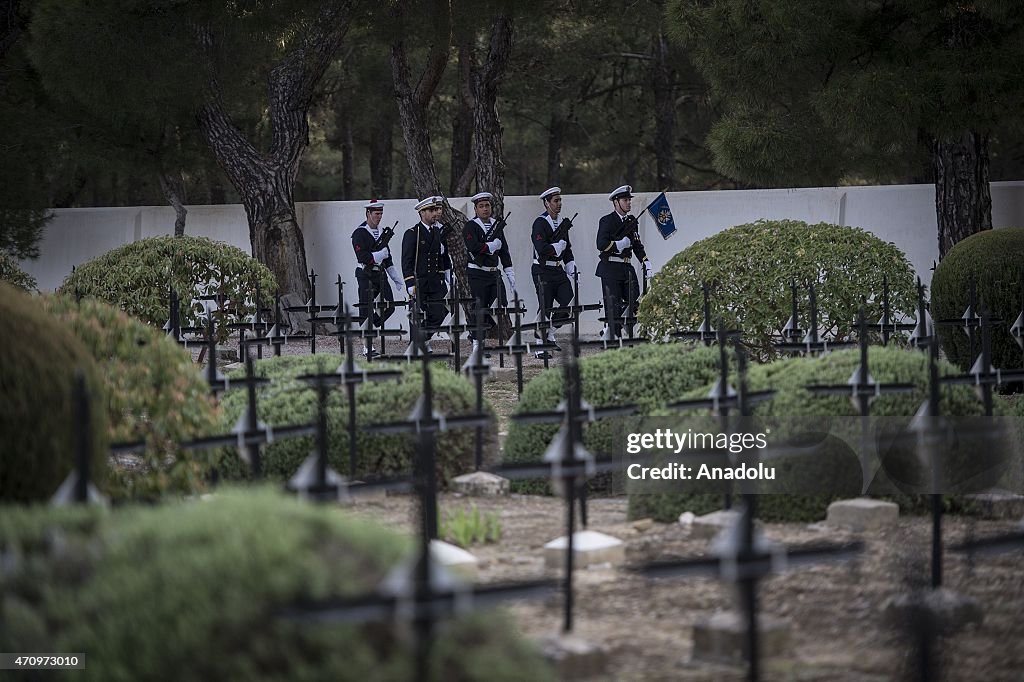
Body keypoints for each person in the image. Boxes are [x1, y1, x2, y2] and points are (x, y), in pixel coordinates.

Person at [596, 184, 651, 339]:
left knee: (634, 304)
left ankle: (615, 330)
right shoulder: (606, 221)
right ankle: (613, 334)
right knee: (613, 306)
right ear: (616, 202)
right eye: (625, 200)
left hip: (627, 268)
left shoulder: (631, 221)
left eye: (629, 199)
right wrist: (618, 244)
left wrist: (645, 261)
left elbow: (637, 245)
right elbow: (601, 244)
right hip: (610, 268)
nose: (629, 202)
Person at [463, 191, 515, 354]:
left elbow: (504, 250)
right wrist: (490, 246)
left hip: (493, 273)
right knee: (480, 308)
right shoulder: (471, 226)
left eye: (487, 205)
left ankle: (476, 334)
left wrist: (509, 271)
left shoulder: (497, 225)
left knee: (498, 305)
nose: (485, 209)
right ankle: (478, 343)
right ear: (476, 209)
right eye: (481, 206)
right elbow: (473, 247)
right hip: (477, 274)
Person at [352, 198, 403, 357]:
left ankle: (367, 327)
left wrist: (395, 277)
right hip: (365, 274)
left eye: (381, 213)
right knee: (365, 307)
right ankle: (368, 345)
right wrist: (378, 255)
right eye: (376, 213)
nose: (379, 216)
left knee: (390, 306)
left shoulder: (382, 233)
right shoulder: (359, 233)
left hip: (380, 274)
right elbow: (362, 256)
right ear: (368, 213)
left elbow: (388, 259)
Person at [531, 187, 577, 358]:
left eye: (560, 200)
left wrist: (570, 263)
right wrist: (554, 248)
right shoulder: (540, 223)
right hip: (542, 269)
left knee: (569, 302)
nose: (559, 204)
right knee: (545, 306)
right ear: (546, 203)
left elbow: (567, 247)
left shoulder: (562, 223)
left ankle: (549, 331)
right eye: (555, 201)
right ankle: (539, 345)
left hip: (558, 269)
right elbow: (541, 248)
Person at [401, 196, 451, 347]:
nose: (435, 213)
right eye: (431, 210)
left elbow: (444, 257)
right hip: (419, 282)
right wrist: (409, 281)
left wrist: (448, 275)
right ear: (422, 213)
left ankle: (422, 339)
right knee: (417, 316)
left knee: (440, 312)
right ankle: (416, 345)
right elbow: (406, 260)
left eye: (436, 210)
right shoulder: (412, 233)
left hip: (436, 282)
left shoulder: (438, 232)